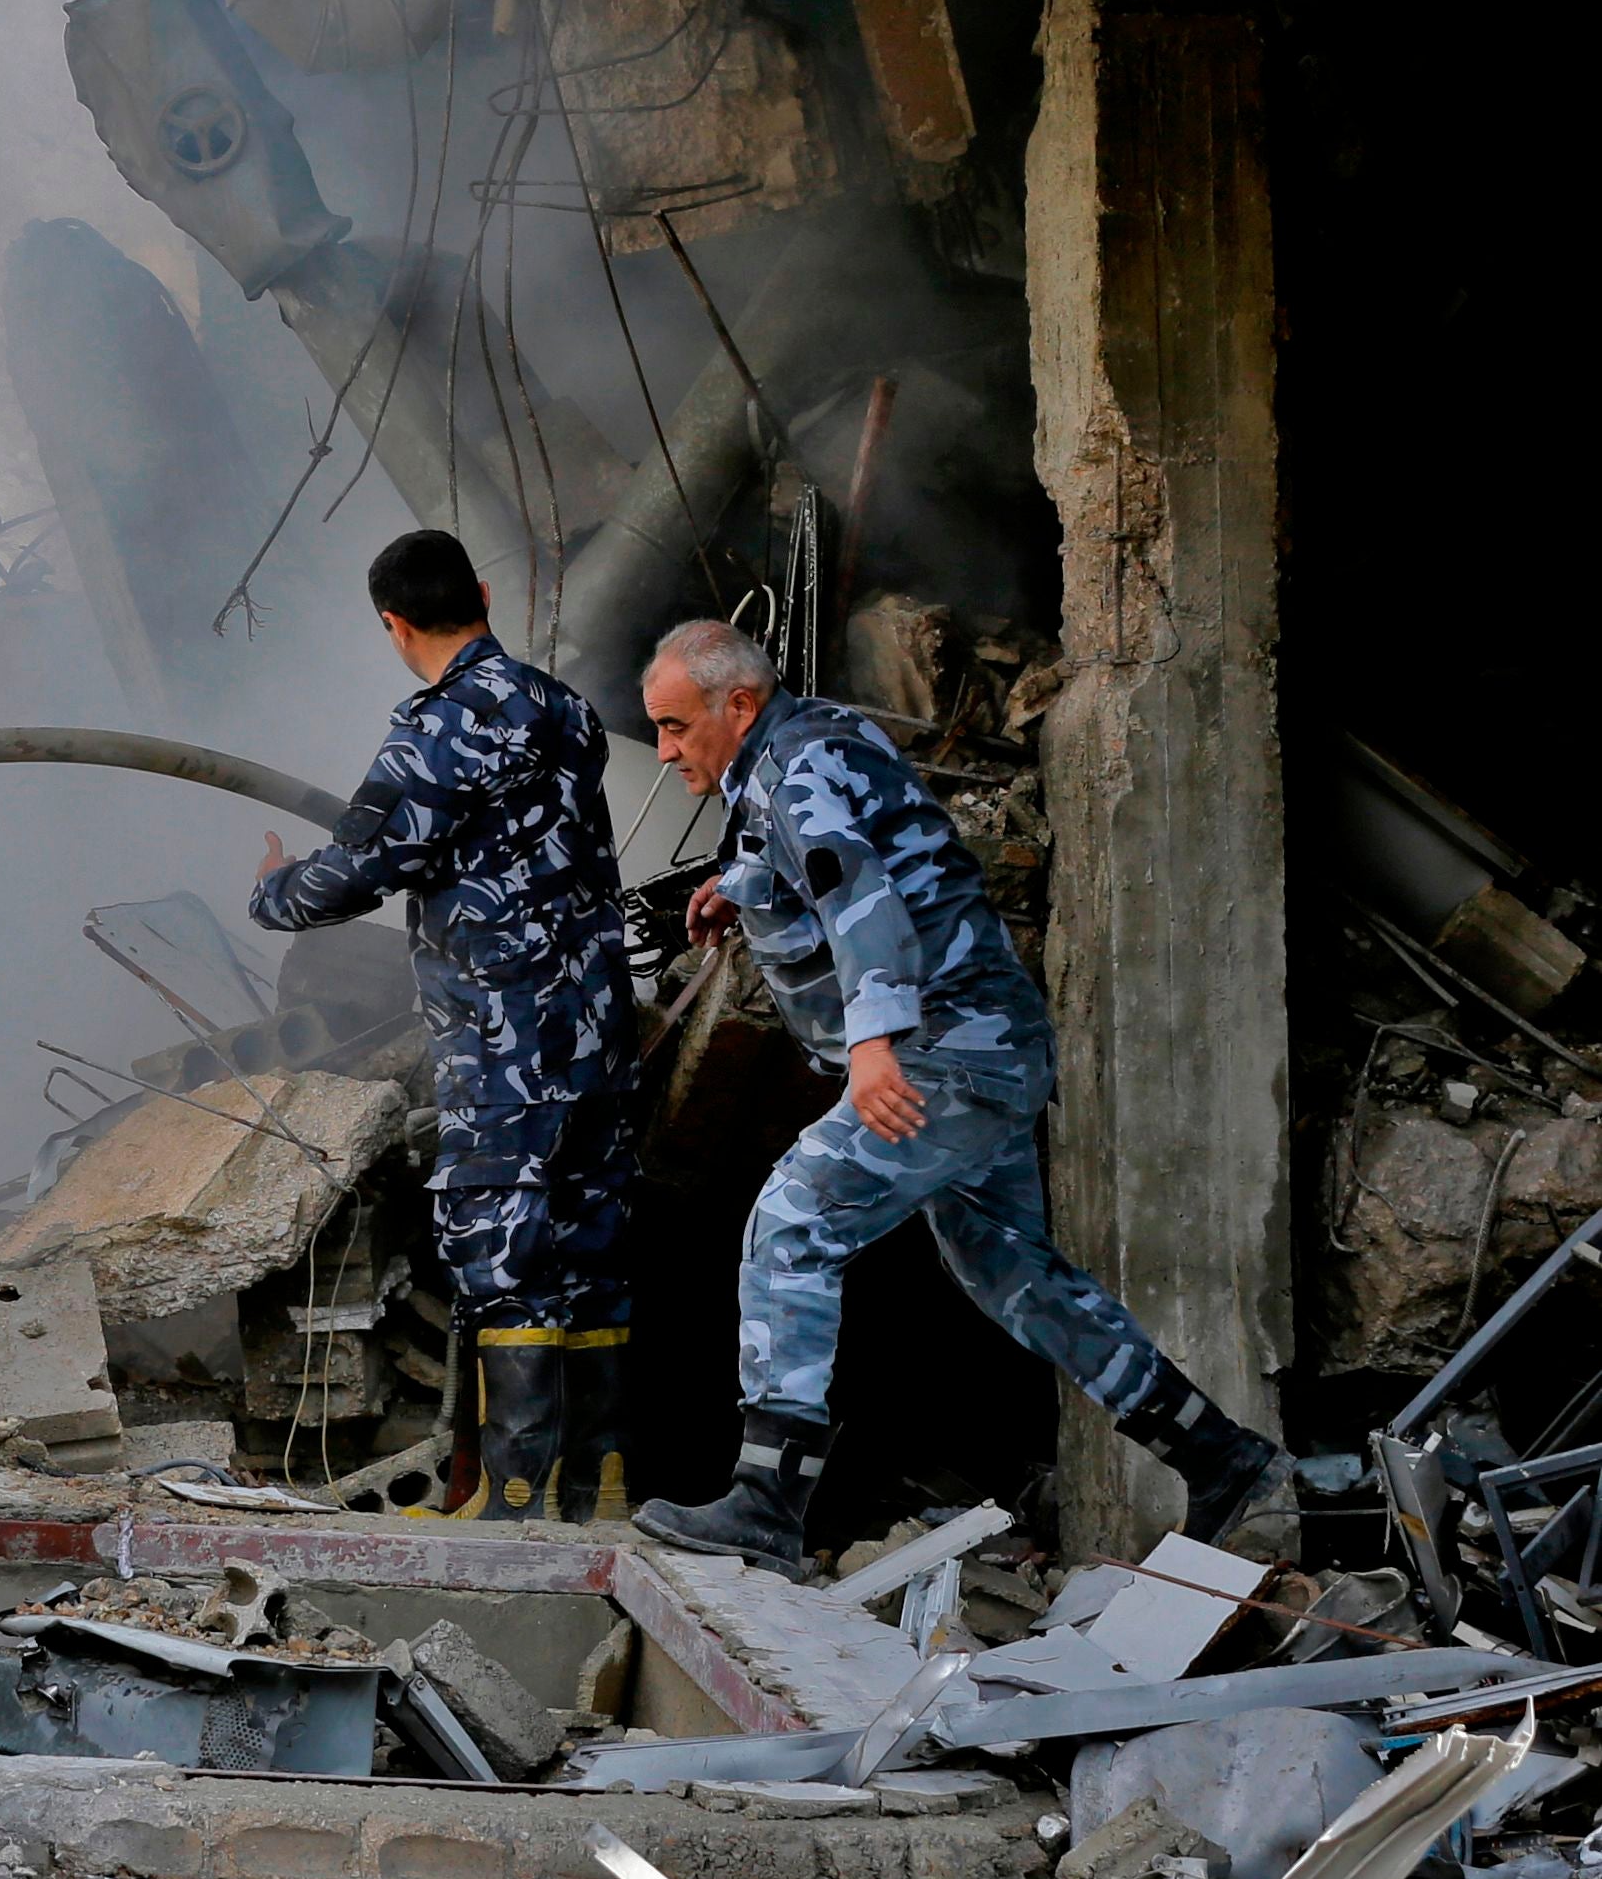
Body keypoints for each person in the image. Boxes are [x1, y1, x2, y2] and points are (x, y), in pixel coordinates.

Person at [630, 616, 1288, 1573]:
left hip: (945, 1052)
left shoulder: (792, 769)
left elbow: (863, 897)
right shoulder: (809, 743)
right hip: (988, 1046)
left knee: (795, 1217)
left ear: (738, 703)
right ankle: (1226, 1461)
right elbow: (858, 849)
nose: (664, 748)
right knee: (1010, 1272)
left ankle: (768, 1502)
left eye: (677, 726)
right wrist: (744, 884)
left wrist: (874, 1044)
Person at [248, 529, 641, 1519]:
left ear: (393, 624)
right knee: (589, 1249)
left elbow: (360, 870)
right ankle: (600, 1495)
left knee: (502, 1251)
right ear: (484, 593)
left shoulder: (440, 723)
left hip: (508, 1039)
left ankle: (510, 1506)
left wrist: (272, 892)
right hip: (596, 1024)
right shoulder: (565, 709)